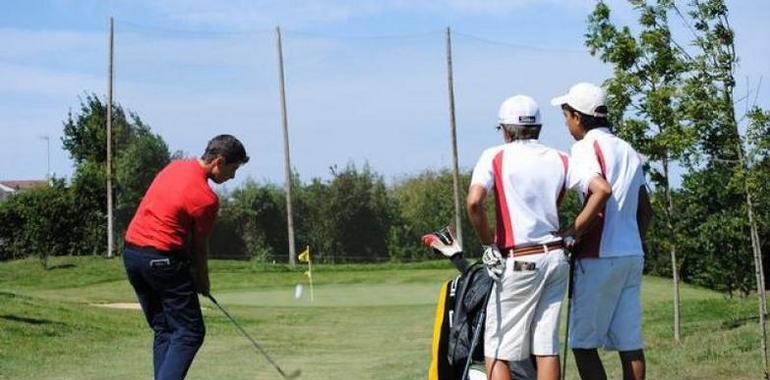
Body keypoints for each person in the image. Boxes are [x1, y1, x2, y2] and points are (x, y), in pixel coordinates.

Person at [466, 95, 609, 380]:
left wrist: (487, 246)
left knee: (498, 349)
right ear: (538, 128)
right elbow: (601, 190)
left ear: (506, 130)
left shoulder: (494, 155)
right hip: (555, 258)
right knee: (546, 346)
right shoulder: (561, 158)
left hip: (520, 259)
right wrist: (574, 230)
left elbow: (474, 203)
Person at [122, 134, 249, 380]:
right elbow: (199, 247)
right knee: (190, 332)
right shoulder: (206, 198)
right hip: (161, 259)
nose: (232, 176)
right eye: (233, 169)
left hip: (131, 255)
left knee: (165, 329)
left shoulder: (174, 167)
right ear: (219, 162)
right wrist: (203, 281)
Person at [551, 82, 652, 380]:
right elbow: (646, 210)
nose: (567, 124)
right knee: (629, 344)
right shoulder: (628, 149)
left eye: (567, 116)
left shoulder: (583, 148)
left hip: (598, 255)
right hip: (631, 253)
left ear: (578, 117)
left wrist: (572, 231)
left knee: (583, 344)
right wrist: (635, 241)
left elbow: (601, 191)